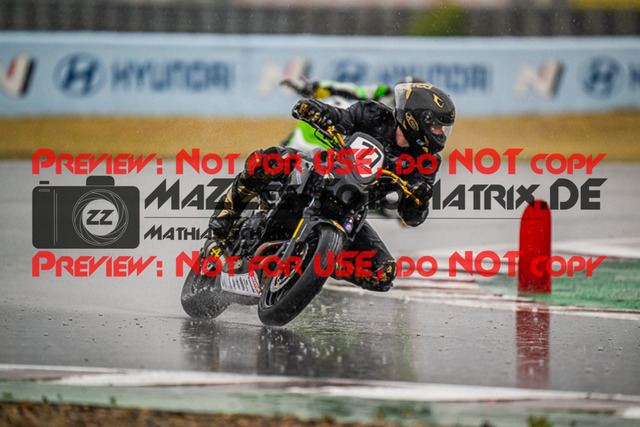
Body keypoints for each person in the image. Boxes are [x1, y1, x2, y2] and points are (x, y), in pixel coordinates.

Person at [206, 82, 455, 292]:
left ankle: (315, 264)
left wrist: (420, 199)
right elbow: (340, 117)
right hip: (322, 171)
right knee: (268, 160)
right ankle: (219, 231)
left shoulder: (427, 161)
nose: (440, 134)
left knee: (384, 274)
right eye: (436, 126)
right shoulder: (374, 114)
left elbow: (412, 217)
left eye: (442, 129)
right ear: (415, 119)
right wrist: (314, 110)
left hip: (351, 210)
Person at [279, 76, 425, 153]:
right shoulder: (385, 93)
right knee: (337, 105)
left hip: (384, 156)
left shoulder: (421, 125)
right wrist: (317, 87)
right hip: (359, 141)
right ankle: (285, 151)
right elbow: (354, 90)